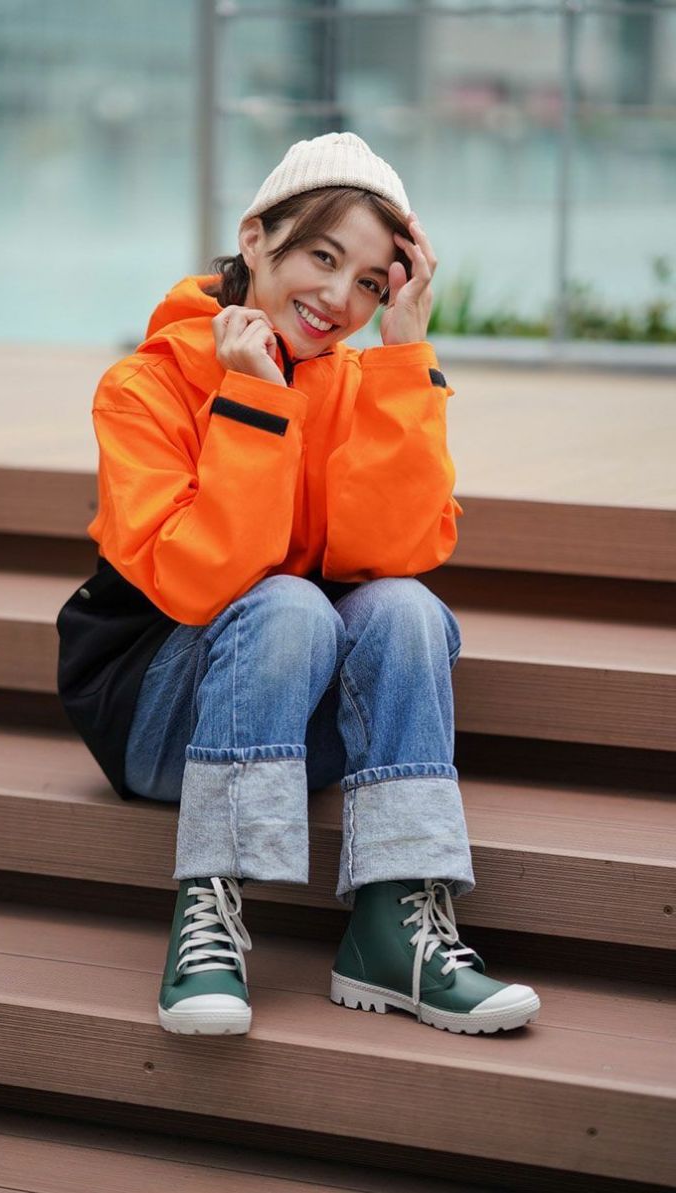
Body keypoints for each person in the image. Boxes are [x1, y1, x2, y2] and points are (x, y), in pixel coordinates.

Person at [56, 131, 541, 1039]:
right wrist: (254, 402)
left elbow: (398, 550)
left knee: (406, 608)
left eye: (371, 283)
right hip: (161, 719)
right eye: (322, 256)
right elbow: (200, 582)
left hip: (298, 718)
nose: (339, 298)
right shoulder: (143, 386)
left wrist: (404, 357)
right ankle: (208, 918)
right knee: (286, 602)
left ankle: (394, 929)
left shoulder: (360, 380)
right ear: (255, 237)